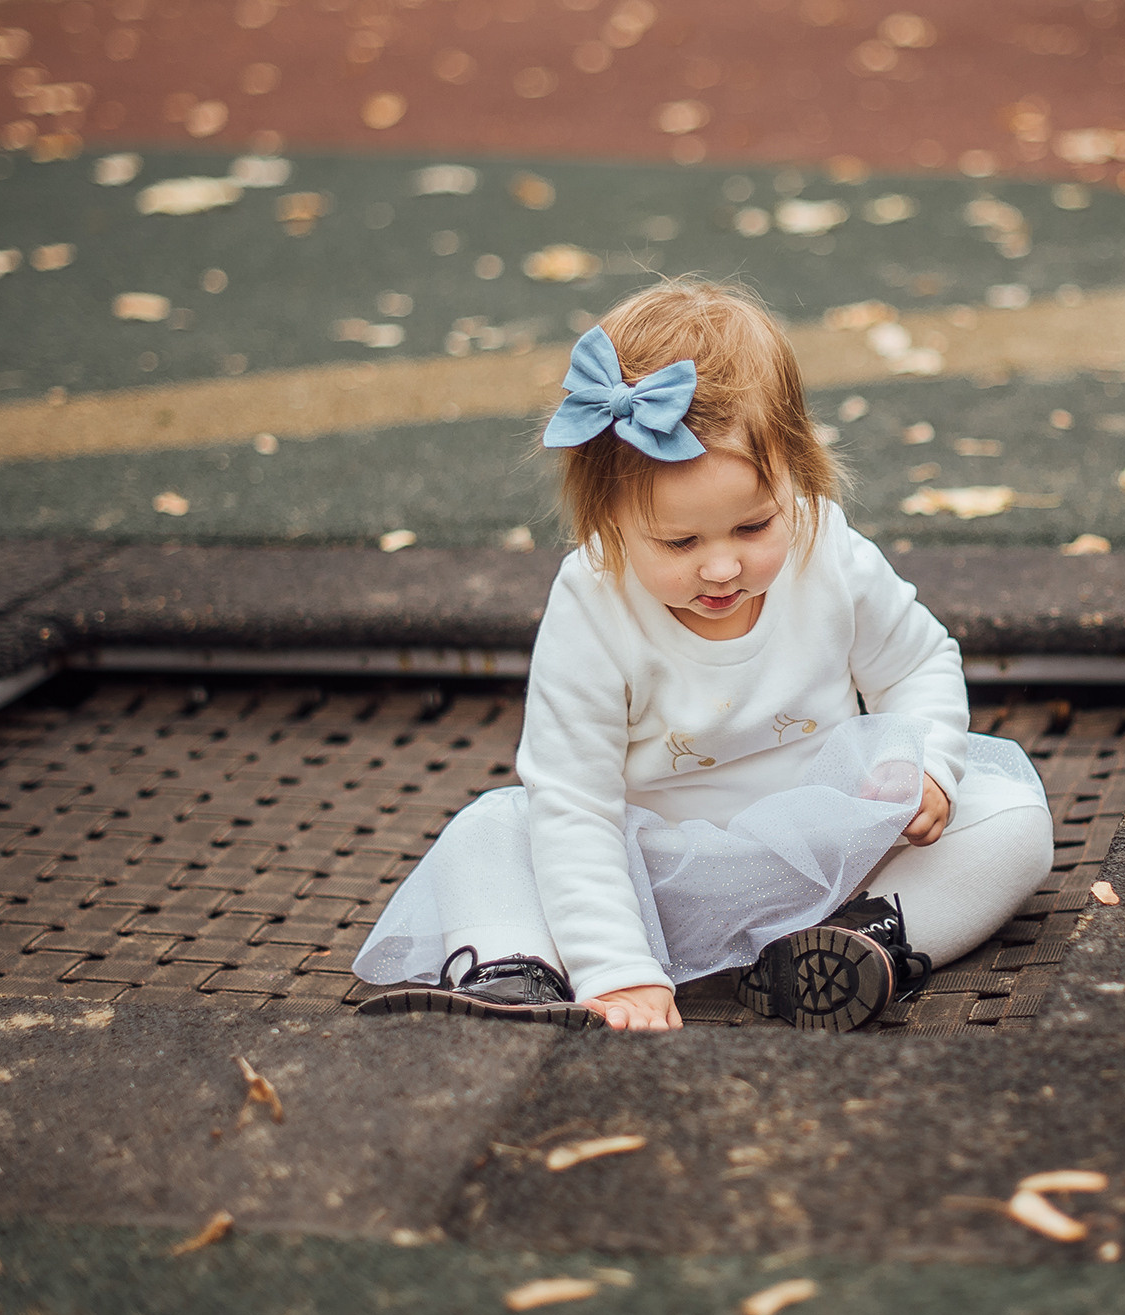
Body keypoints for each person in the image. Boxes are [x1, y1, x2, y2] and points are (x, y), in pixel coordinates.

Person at [354, 278, 1053, 1033]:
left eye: (753, 527)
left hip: (827, 856)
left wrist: (924, 764)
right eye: (679, 541)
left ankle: (850, 942)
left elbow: (918, 665)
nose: (721, 568)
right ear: (607, 521)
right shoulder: (592, 602)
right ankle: (520, 975)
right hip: (651, 877)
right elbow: (578, 804)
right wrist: (618, 967)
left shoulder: (829, 551)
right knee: (494, 830)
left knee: (1014, 817)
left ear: (797, 474)